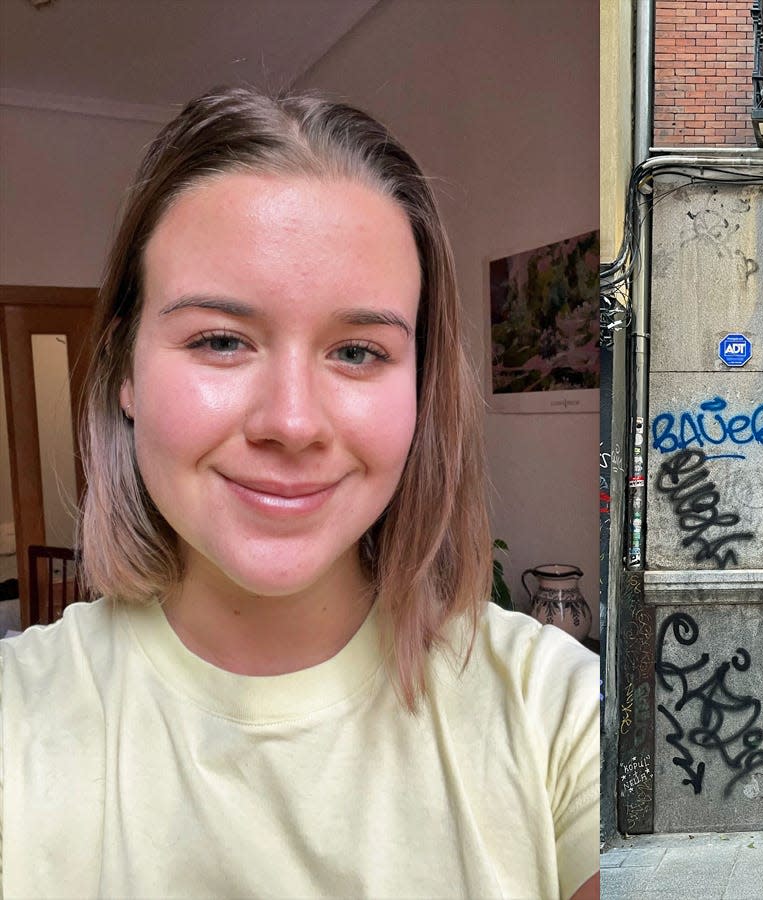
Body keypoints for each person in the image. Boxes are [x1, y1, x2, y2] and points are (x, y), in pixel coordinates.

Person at [0, 87, 600, 899]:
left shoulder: (564, 718)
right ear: (124, 373)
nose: (291, 421)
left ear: (420, 389)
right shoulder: (18, 726)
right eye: (219, 340)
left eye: (357, 352)